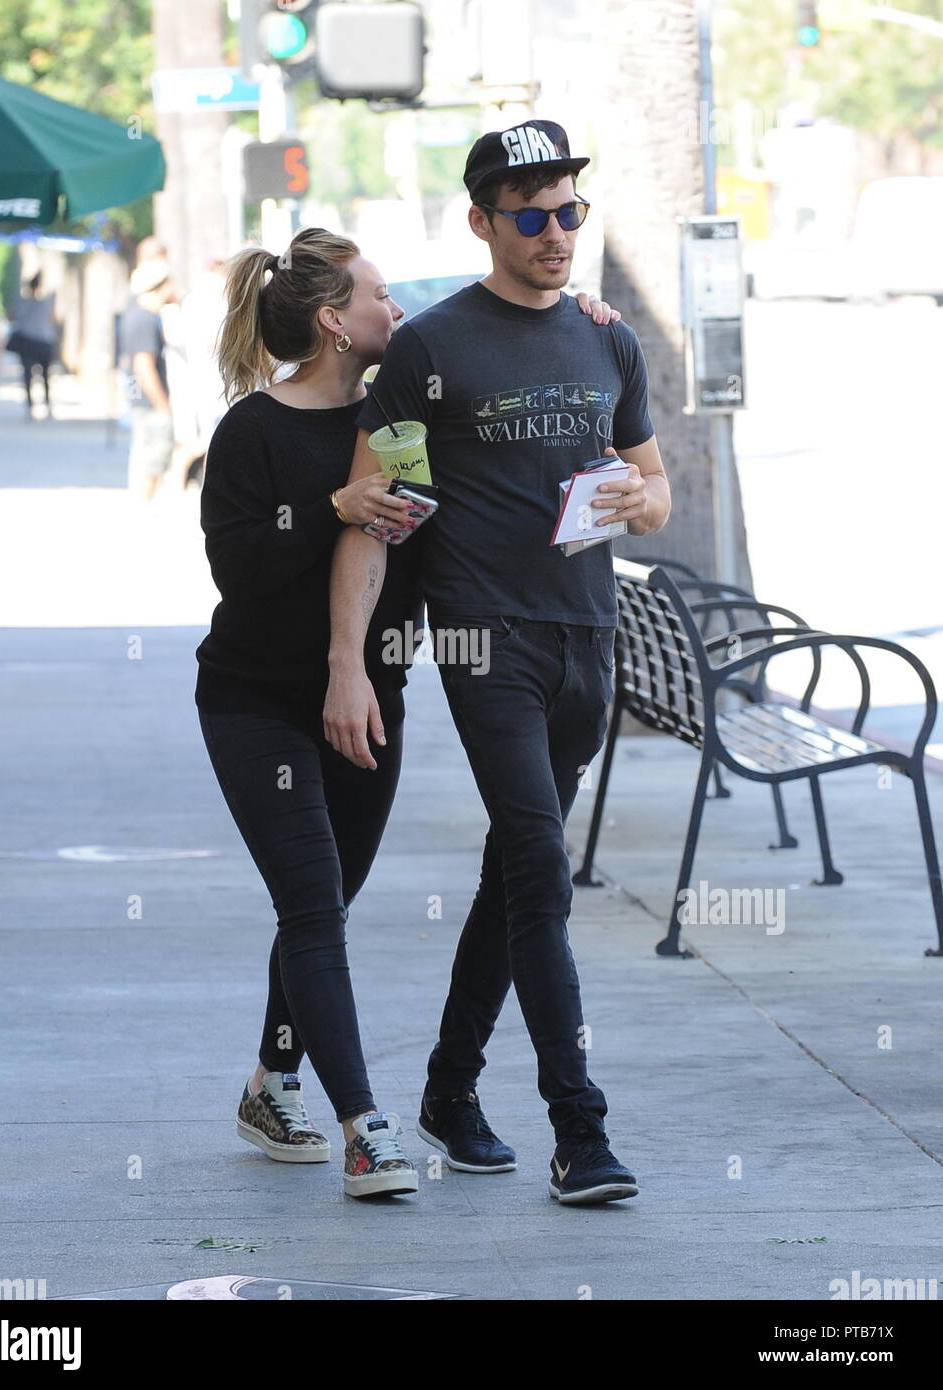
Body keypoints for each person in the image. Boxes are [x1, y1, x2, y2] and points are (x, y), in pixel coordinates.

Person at [195, 228, 620, 1201]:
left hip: (370, 701)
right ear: (334, 320)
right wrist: (328, 508)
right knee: (310, 905)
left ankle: (270, 1083)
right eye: (379, 296)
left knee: (323, 903)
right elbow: (237, 568)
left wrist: (583, 316)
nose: (398, 310)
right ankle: (363, 1129)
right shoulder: (252, 431)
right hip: (255, 702)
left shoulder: (399, 422)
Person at [324, 119, 672, 1207]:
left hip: (586, 633)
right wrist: (346, 661)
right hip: (484, 640)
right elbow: (376, 508)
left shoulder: (606, 339)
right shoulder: (432, 349)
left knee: (515, 870)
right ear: (481, 222)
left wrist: (638, 499)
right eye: (531, 216)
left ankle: (447, 1088)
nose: (557, 233)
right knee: (540, 864)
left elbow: (653, 489)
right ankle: (580, 1129)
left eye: (570, 211)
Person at [119, 259, 177, 500]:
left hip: (140, 400)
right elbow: (143, 366)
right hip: (150, 403)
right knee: (152, 462)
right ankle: (144, 506)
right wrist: (162, 406)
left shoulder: (135, 315)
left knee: (145, 457)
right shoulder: (145, 319)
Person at [10, 272, 58, 418]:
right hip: (43, 342)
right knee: (45, 376)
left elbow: (12, 316)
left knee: (28, 377)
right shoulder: (47, 303)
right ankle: (47, 405)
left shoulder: (22, 303)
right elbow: (53, 319)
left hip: (29, 342)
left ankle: (31, 407)